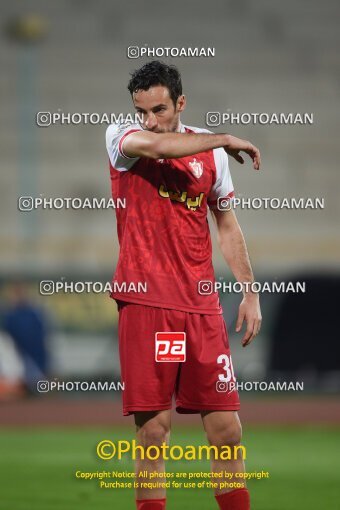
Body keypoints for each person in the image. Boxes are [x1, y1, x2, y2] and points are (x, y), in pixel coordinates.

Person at [105, 60, 262, 510]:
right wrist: (226, 136)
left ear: (181, 103)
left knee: (227, 432)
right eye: (142, 110)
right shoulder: (122, 138)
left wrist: (250, 291)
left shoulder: (210, 156)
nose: (149, 119)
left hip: (201, 308)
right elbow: (157, 146)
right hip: (150, 304)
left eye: (159, 109)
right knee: (154, 434)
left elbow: (227, 224)